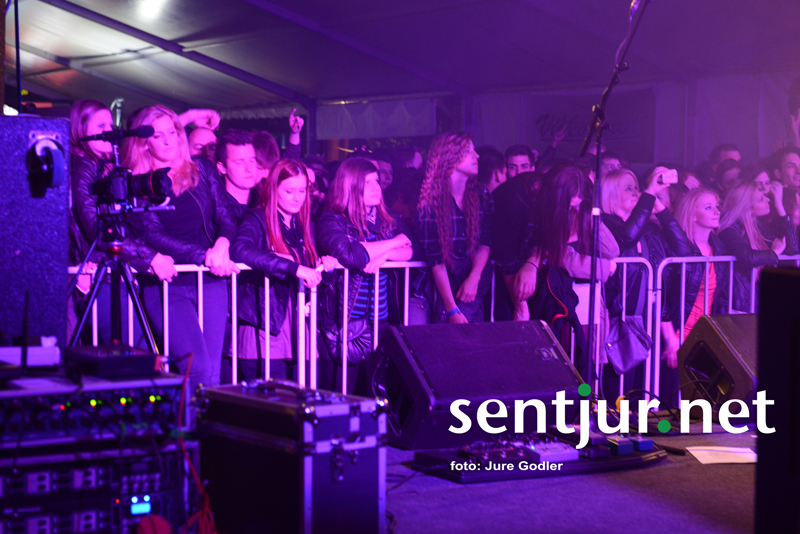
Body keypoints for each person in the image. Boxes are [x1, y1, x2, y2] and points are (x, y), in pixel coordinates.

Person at [123, 104, 239, 392]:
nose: (168, 141)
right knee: (195, 367)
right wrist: (205, 256)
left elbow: (225, 216)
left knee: (213, 373)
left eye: (172, 132)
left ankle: (202, 422)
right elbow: (152, 234)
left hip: (210, 280)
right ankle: (182, 422)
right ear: (144, 142)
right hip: (168, 284)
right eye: (157, 135)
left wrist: (222, 244)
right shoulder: (137, 182)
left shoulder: (202, 169)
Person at [68, 99, 177, 346]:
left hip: (111, 274)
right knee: (134, 350)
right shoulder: (83, 168)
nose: (109, 131)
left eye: (110, 124)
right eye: (101, 125)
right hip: (99, 277)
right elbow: (97, 229)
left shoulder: (103, 166)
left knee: (132, 350)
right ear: (80, 130)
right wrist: (150, 257)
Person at [231, 159, 337, 382]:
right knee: (270, 397)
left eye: (302, 191)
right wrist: (292, 267)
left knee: (304, 393)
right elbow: (240, 250)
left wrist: (324, 264)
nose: (297, 198)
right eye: (289, 191)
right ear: (273, 189)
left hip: (299, 321)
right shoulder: (256, 218)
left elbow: (310, 271)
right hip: (264, 321)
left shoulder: (305, 224)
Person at [316, 157, 413, 393]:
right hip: (344, 324)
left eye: (376, 181)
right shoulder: (333, 219)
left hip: (381, 322)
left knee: (376, 398)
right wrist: (395, 243)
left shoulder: (388, 218)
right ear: (351, 186)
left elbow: (411, 250)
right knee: (341, 397)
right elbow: (351, 255)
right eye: (367, 182)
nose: (375, 187)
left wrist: (385, 255)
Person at [600, 167, 691, 400]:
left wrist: (661, 211)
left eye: (636, 187)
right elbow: (625, 237)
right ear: (610, 194)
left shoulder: (648, 230)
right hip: (618, 321)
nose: (636, 192)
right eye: (628, 188)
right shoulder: (604, 225)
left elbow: (684, 251)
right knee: (618, 394)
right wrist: (649, 193)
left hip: (649, 321)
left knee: (642, 395)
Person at [418, 133, 493, 324]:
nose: (477, 155)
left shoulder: (482, 195)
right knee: (449, 337)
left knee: (473, 339)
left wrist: (474, 277)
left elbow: (485, 242)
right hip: (446, 288)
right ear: (449, 156)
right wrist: (451, 309)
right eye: (468, 151)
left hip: (475, 284)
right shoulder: (431, 201)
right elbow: (436, 260)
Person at [718, 179, 799, 311]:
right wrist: (774, 252)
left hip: (756, 299)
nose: (768, 200)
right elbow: (747, 256)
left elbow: (791, 248)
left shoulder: (759, 227)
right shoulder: (729, 229)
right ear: (747, 207)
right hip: (739, 303)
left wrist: (779, 205)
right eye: (761, 199)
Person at [215, 129, 259, 218]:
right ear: (222, 168)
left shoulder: (263, 204)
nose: (249, 168)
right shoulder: (217, 212)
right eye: (239, 162)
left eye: (252, 160)